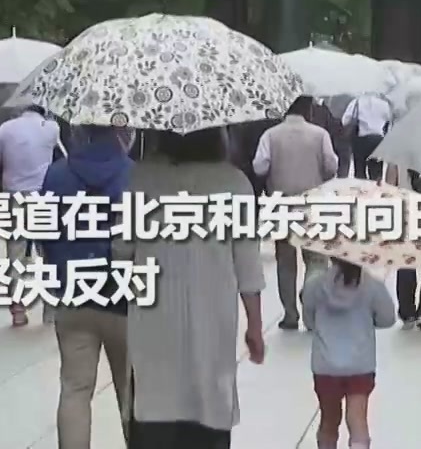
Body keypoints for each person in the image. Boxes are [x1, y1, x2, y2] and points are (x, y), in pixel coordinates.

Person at [114, 127, 265, 449]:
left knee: (156, 400)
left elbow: (121, 250)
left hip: (154, 315)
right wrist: (255, 325)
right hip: (213, 314)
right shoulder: (234, 183)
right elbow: (248, 264)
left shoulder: (141, 180)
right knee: (209, 401)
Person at [39, 124, 134, 449]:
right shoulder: (136, 176)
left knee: (75, 389)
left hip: (73, 295)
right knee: (131, 391)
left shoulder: (56, 174)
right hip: (125, 300)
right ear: (124, 131)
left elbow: (43, 236)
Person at [254, 95, 339, 330]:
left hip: (281, 204)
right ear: (308, 109)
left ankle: (290, 314)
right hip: (313, 203)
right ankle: (311, 307)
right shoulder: (319, 134)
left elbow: (259, 166)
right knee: (316, 259)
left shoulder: (270, 135)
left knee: (285, 261)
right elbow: (332, 166)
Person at [301, 258, 397, 449]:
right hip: (360, 365)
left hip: (325, 365)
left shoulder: (315, 285)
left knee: (328, 421)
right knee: (358, 419)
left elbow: (309, 320)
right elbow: (388, 319)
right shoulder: (372, 286)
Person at [0, 103, 60, 327]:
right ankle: (51, 309)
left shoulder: (6, 128)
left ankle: (18, 308)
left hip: (15, 195)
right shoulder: (51, 128)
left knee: (15, 251)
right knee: (48, 251)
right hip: (43, 194)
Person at [384, 163, 421, 329]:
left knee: (406, 263)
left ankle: (407, 311)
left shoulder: (398, 158)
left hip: (406, 213)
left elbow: (389, 189)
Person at [343, 93, 393, 181]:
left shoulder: (357, 102)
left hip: (361, 140)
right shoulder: (384, 104)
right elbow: (390, 120)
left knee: (359, 172)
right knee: (376, 172)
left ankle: (361, 192)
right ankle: (375, 192)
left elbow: (345, 120)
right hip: (378, 140)